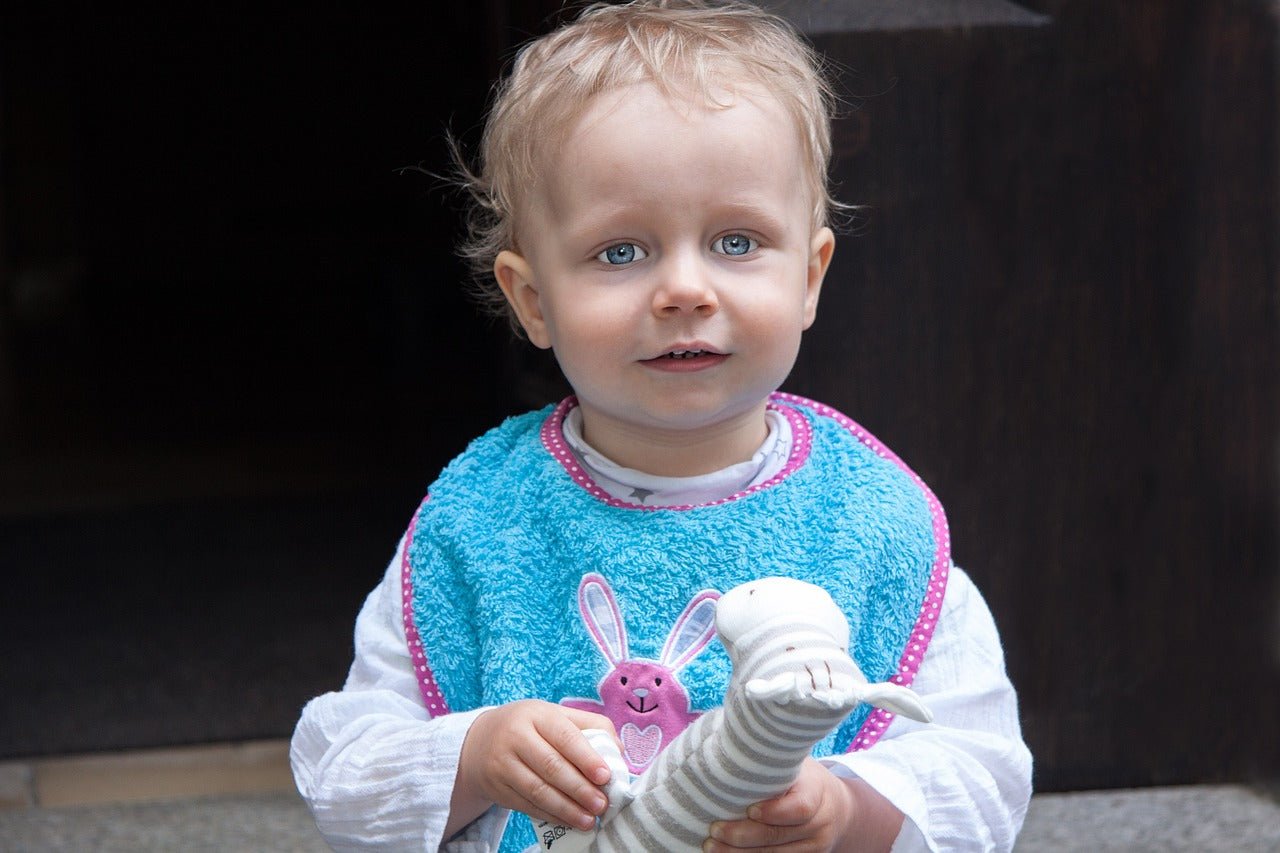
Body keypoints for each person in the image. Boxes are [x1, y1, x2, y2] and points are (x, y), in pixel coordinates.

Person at [290, 1, 1033, 850]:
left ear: (810, 276)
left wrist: (849, 811)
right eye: (621, 252)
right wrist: (475, 755)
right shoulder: (482, 522)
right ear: (533, 299)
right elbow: (342, 771)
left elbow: (983, 773)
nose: (685, 289)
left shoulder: (868, 519)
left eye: (737, 241)